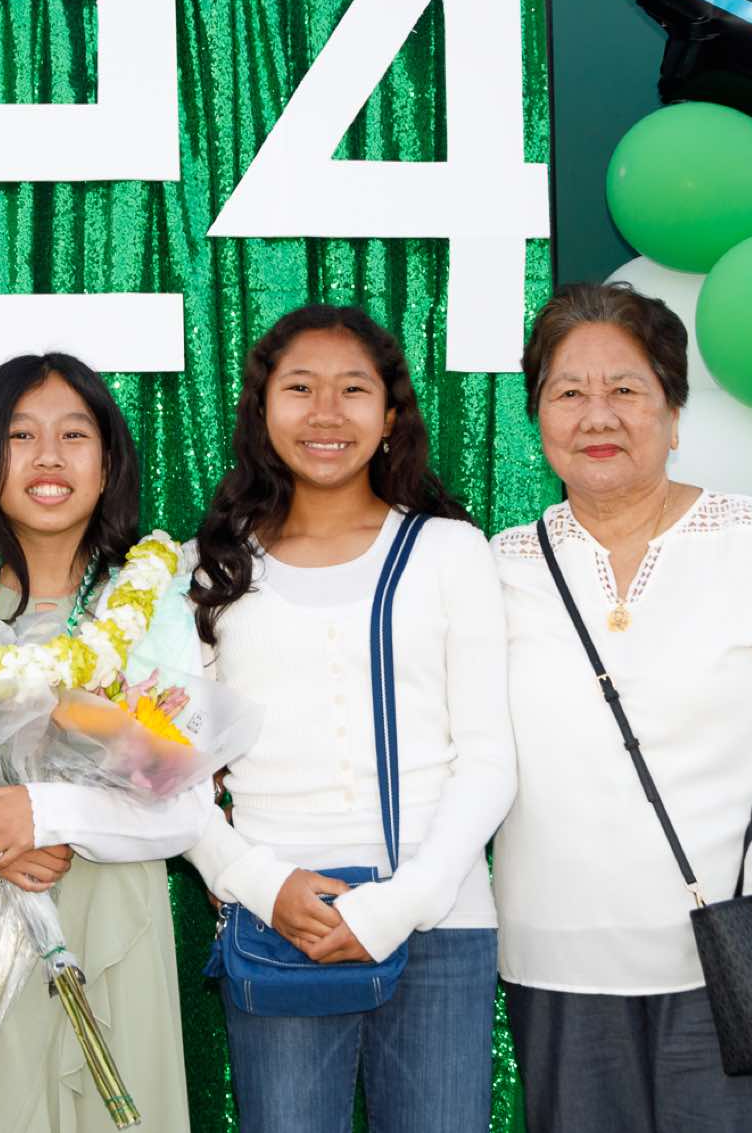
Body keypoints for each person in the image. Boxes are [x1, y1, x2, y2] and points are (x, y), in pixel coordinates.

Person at [492, 282, 752, 1133]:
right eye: (569, 392)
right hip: (556, 966)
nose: (598, 415)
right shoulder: (501, 564)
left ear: (673, 413)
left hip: (740, 964)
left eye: (626, 389)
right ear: (539, 418)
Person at [184, 304, 514, 1133]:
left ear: (391, 414)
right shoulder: (210, 567)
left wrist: (400, 903)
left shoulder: (448, 550)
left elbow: (489, 759)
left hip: (439, 918)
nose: (326, 412)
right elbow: (172, 772)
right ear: (262, 411)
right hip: (280, 921)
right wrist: (259, 882)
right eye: (300, 388)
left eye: (354, 390)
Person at [0, 352, 208, 1132]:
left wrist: (44, 816)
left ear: (108, 465)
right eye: (20, 435)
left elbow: (186, 807)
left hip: (115, 917)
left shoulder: (156, 605)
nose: (48, 456)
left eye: (74, 434)